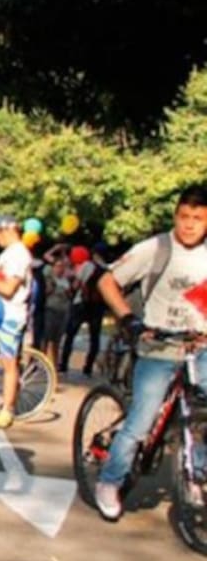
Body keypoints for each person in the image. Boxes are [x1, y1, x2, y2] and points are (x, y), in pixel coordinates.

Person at [91, 185, 207, 521]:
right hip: (158, 347)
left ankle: (195, 478)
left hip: (198, 349)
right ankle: (110, 481)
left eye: (198, 219)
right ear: (176, 216)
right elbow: (106, 282)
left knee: (200, 420)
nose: (189, 225)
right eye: (184, 217)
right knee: (140, 423)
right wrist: (129, 319)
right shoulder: (155, 248)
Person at [0, 215, 33, 429]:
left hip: (11, 315)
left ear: (7, 230)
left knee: (8, 363)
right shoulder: (9, 254)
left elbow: (8, 288)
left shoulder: (19, 255)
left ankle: (7, 409)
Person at [60, 243, 109, 375]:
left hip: (81, 303)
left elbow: (77, 283)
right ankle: (88, 367)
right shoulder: (107, 269)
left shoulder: (88, 265)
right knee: (94, 337)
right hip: (98, 306)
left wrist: (71, 291)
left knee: (70, 334)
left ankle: (63, 364)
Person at [40, 247, 75, 370]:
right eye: (58, 266)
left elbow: (70, 295)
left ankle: (54, 365)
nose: (60, 269)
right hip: (50, 309)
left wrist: (69, 292)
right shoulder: (49, 277)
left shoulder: (65, 280)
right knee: (46, 338)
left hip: (63, 311)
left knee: (57, 340)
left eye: (62, 267)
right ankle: (40, 362)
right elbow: (46, 292)